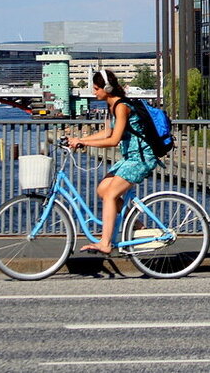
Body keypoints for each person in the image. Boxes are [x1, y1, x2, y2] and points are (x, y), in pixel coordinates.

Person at [67, 69, 158, 254]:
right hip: (129, 158)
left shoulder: (121, 106)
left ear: (107, 88)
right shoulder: (110, 107)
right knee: (102, 190)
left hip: (140, 158)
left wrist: (83, 142)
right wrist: (78, 140)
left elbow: (113, 140)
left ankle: (105, 243)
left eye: (96, 88)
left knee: (110, 195)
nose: (94, 92)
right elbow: (106, 133)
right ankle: (139, 227)